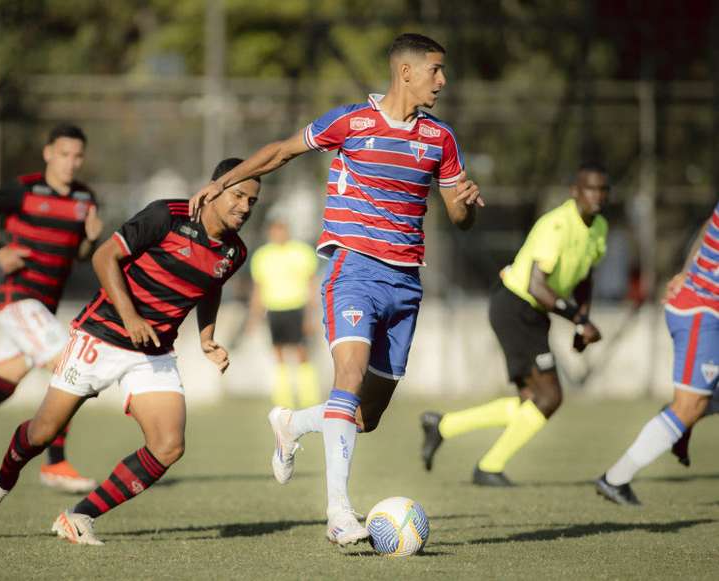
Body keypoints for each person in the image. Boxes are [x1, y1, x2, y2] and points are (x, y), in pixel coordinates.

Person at [189, 33, 483, 546]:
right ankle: (340, 512)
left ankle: (292, 424)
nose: (442, 80)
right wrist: (223, 181)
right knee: (346, 375)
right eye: (435, 70)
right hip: (353, 272)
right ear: (405, 72)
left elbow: (459, 219)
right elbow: (280, 152)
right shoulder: (350, 122)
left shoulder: (441, 139)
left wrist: (464, 203)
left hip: (406, 285)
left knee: (366, 416)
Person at [0, 158, 260, 545]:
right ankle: (3, 480)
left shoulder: (234, 252)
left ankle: (79, 516)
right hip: (100, 335)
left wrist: (207, 337)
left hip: (153, 352)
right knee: (42, 433)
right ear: (215, 188)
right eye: (238, 195)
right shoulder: (166, 215)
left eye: (252, 201)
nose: (244, 206)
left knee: (168, 446)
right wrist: (130, 317)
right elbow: (106, 257)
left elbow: (211, 284)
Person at [421, 163, 609, 486]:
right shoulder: (557, 226)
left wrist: (583, 321)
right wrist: (578, 320)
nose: (598, 196)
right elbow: (537, 286)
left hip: (532, 312)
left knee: (531, 402)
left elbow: (585, 276)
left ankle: (443, 426)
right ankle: (488, 467)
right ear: (575, 192)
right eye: (590, 189)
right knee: (549, 397)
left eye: (604, 190)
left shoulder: (600, 227)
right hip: (515, 305)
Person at [0, 124, 101, 493]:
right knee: (70, 367)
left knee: (3, 383)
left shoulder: (85, 199)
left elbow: (79, 257)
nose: (70, 163)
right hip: (19, 300)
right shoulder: (24, 188)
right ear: (48, 153)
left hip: (43, 309)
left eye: (77, 156)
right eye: (64, 154)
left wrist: (91, 239)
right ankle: (55, 463)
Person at [596, 202, 718, 505]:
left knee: (693, 406)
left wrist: (687, 271)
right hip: (701, 312)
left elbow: (708, 225)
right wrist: (689, 274)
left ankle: (682, 420)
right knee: (689, 406)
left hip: (703, 307)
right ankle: (615, 478)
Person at [248, 217, 320, 408]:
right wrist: (253, 317)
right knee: (278, 353)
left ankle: (308, 398)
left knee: (302, 353)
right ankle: (283, 399)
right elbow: (258, 288)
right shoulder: (262, 256)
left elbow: (312, 285)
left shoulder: (302, 252)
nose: (278, 234)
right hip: (274, 310)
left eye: (282, 230)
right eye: (275, 230)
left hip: (297, 308)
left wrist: (311, 315)